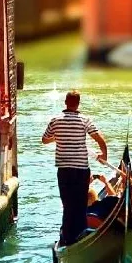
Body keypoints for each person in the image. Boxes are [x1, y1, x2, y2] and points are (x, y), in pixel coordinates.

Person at [42, 90, 107, 246]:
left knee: (67, 203)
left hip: (64, 169)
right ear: (78, 104)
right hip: (81, 169)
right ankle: (80, 233)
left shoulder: (55, 120)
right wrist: (104, 155)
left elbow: (44, 140)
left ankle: (67, 236)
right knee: (80, 203)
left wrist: (56, 137)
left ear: (65, 102)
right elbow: (99, 138)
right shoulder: (85, 120)